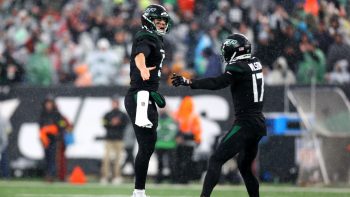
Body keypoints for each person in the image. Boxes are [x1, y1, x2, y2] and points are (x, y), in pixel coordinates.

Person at [172, 33, 267, 197]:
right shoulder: (255, 62)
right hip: (258, 122)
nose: (226, 55)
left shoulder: (238, 67)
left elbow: (218, 83)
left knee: (216, 159)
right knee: (244, 167)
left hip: (245, 123)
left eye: (228, 51)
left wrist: (190, 82)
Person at [123, 4, 172, 197]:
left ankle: (139, 191)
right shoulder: (146, 37)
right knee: (146, 144)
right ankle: (138, 191)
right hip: (139, 95)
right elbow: (140, 55)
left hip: (146, 95)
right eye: (158, 20)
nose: (161, 24)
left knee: (148, 145)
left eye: (163, 21)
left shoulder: (156, 39)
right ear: (149, 21)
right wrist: (142, 68)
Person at [39, 96, 72, 182]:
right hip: (45, 139)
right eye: (47, 103)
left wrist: (55, 129)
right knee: (47, 158)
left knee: (54, 158)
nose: (48, 105)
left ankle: (52, 175)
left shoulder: (57, 114)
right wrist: (44, 133)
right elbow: (40, 126)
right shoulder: (43, 114)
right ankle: (47, 174)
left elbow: (63, 125)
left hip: (55, 139)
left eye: (50, 103)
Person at [100, 95, 129, 185]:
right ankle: (105, 176)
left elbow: (126, 124)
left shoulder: (123, 115)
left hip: (119, 139)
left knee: (118, 159)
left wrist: (118, 123)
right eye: (113, 102)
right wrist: (111, 123)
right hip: (109, 139)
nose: (114, 104)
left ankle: (117, 176)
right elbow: (103, 123)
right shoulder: (107, 114)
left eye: (116, 102)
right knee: (106, 159)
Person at [173, 96, 202, 184]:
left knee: (179, 161)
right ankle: (185, 179)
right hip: (189, 143)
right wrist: (197, 140)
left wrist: (178, 137)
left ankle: (178, 179)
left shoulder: (177, 115)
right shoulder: (193, 116)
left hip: (181, 143)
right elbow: (197, 131)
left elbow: (173, 128)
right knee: (186, 162)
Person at [155, 108, 177, 183]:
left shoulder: (171, 120)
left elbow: (174, 131)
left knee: (166, 163)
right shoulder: (170, 120)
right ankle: (169, 179)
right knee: (163, 163)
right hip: (163, 144)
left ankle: (164, 179)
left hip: (166, 144)